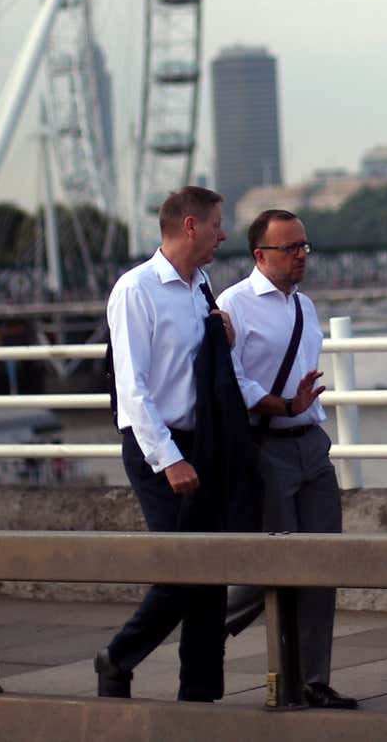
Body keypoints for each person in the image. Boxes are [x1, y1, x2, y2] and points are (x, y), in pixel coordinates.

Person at [95, 186, 237, 702]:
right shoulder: (136, 290)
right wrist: (170, 458)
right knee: (183, 570)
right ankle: (117, 656)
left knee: (211, 574)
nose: (224, 234)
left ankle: (200, 695)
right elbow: (132, 388)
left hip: (202, 443)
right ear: (191, 225)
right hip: (159, 446)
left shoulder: (202, 286)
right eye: (218, 224)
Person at [216, 210, 355, 709]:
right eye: (289, 248)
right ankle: (201, 628)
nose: (301, 256)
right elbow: (232, 380)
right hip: (267, 448)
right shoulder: (233, 305)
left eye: (304, 246)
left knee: (323, 562)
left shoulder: (305, 306)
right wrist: (281, 405)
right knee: (273, 568)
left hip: (312, 443)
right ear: (260, 255)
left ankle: (313, 679)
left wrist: (304, 411)